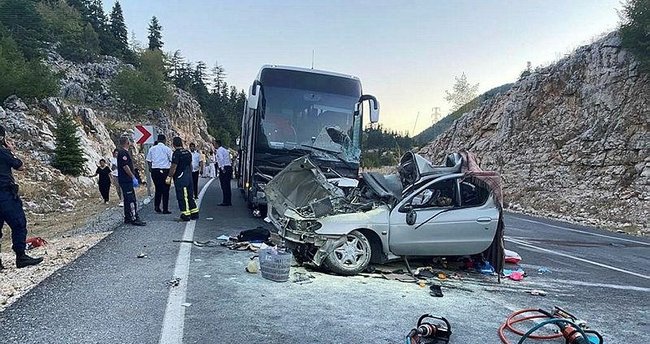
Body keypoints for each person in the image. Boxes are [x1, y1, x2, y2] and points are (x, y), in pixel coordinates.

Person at [0, 125, 43, 269]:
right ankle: (21, 256)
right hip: (5, 195)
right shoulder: (3, 152)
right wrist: (11, 151)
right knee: (19, 224)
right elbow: (20, 166)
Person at [166, 137, 199, 221]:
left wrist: (169, 176)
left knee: (182, 196)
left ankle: (185, 214)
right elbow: (190, 165)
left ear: (174, 144)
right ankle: (194, 213)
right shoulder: (187, 152)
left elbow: (174, 166)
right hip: (189, 176)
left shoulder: (176, 153)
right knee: (190, 195)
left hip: (181, 177)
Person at [117, 136, 146, 226]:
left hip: (124, 180)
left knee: (127, 200)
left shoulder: (123, 152)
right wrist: (133, 177)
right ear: (127, 143)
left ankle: (128, 217)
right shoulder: (123, 153)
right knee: (131, 199)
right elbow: (125, 166)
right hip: (126, 180)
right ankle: (134, 218)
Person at [146, 134, 173, 214]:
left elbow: (148, 160)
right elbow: (172, 160)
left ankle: (157, 207)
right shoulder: (167, 149)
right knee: (166, 190)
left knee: (158, 189)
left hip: (155, 171)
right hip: (165, 171)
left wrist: (151, 169)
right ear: (164, 140)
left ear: (157, 140)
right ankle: (165, 209)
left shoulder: (152, 149)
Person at [215, 139, 233, 206]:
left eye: (215, 144)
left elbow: (221, 159)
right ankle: (228, 201)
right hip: (229, 167)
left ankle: (225, 201)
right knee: (227, 185)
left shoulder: (219, 151)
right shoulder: (225, 150)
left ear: (217, 144)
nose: (214, 145)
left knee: (224, 185)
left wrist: (222, 169)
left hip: (224, 168)